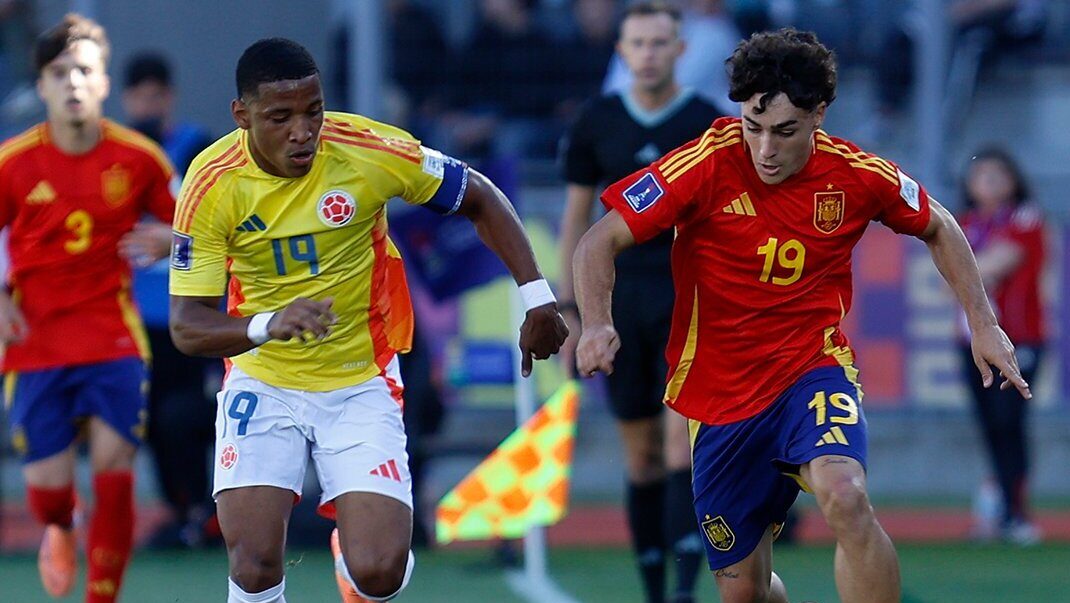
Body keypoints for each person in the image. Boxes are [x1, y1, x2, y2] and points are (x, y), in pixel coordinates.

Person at [573, 28, 1030, 603]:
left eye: (784, 132)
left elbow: (938, 223)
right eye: (752, 127)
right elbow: (598, 240)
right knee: (746, 593)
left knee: (845, 495)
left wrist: (984, 323)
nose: (765, 149)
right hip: (719, 396)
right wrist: (595, 322)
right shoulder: (705, 162)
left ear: (819, 115)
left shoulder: (857, 174)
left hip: (810, 369)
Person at [167, 38, 567, 603]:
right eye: (280, 118)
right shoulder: (211, 184)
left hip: (360, 378)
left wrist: (537, 297)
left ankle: (351, 565)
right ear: (242, 116)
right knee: (254, 564)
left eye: (314, 112)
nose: (302, 131)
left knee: (378, 570)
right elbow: (187, 326)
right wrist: (265, 325)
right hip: (264, 378)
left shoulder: (368, 148)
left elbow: (477, 193)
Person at [0, 13, 175, 603]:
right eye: (58, 72)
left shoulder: (141, 159)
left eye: (83, 71)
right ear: (42, 86)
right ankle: (61, 523)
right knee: (47, 495)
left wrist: (171, 241)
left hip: (111, 335)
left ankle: (102, 596)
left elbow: (200, 229)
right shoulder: (13, 164)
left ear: (102, 84)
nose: (72, 82)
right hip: (36, 337)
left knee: (115, 467)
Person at [557, 3, 721, 602]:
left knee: (683, 443)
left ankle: (683, 589)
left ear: (681, 50)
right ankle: (652, 585)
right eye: (637, 43)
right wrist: (571, 310)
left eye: (660, 43)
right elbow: (578, 218)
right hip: (618, 304)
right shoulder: (595, 121)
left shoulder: (709, 124)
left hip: (690, 302)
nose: (648, 53)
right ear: (621, 52)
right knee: (642, 454)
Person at [120, 50, 220, 550]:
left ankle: (205, 508)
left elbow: (215, 223)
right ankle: (183, 510)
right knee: (152, 419)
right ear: (125, 99)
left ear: (170, 97)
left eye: (155, 95)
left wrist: (171, 236)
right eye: (139, 95)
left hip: (186, 306)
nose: (147, 104)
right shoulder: (117, 156)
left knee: (184, 414)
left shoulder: (197, 149)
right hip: (136, 316)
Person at [956, 148, 1046, 545]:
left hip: (1019, 336)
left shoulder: (1024, 217)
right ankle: (999, 507)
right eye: (982, 174)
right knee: (990, 425)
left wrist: (959, 265)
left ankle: (1016, 511)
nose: (990, 181)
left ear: (1013, 180)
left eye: (999, 174)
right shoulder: (965, 224)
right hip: (970, 340)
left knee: (1010, 422)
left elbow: (995, 263)